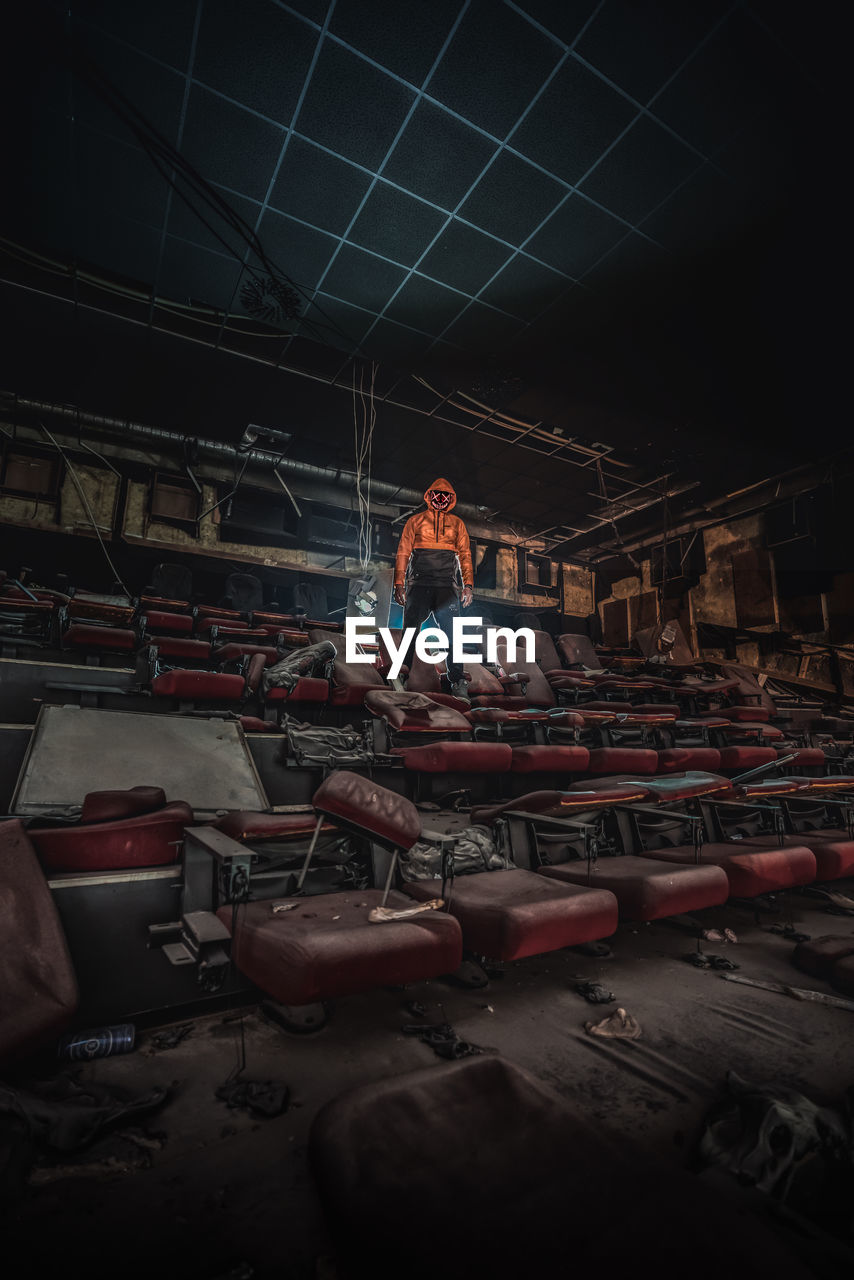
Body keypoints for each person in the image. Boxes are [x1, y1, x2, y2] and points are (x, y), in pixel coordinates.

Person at [393, 477, 474, 701]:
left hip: (446, 586)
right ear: (429, 497)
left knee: (454, 636)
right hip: (419, 583)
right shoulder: (415, 521)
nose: (440, 499)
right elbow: (403, 553)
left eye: (445, 496)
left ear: (451, 499)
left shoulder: (457, 524)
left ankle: (457, 681)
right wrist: (398, 583)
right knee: (409, 632)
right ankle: (401, 676)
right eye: (436, 495)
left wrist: (468, 585)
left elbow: (465, 556)